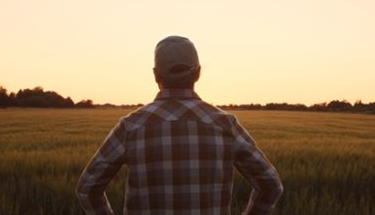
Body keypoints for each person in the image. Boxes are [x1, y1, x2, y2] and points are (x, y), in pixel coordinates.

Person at [76, 35, 283, 215]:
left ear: (156, 75)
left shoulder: (131, 127)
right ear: (198, 73)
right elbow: (271, 185)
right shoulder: (224, 125)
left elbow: (87, 189)